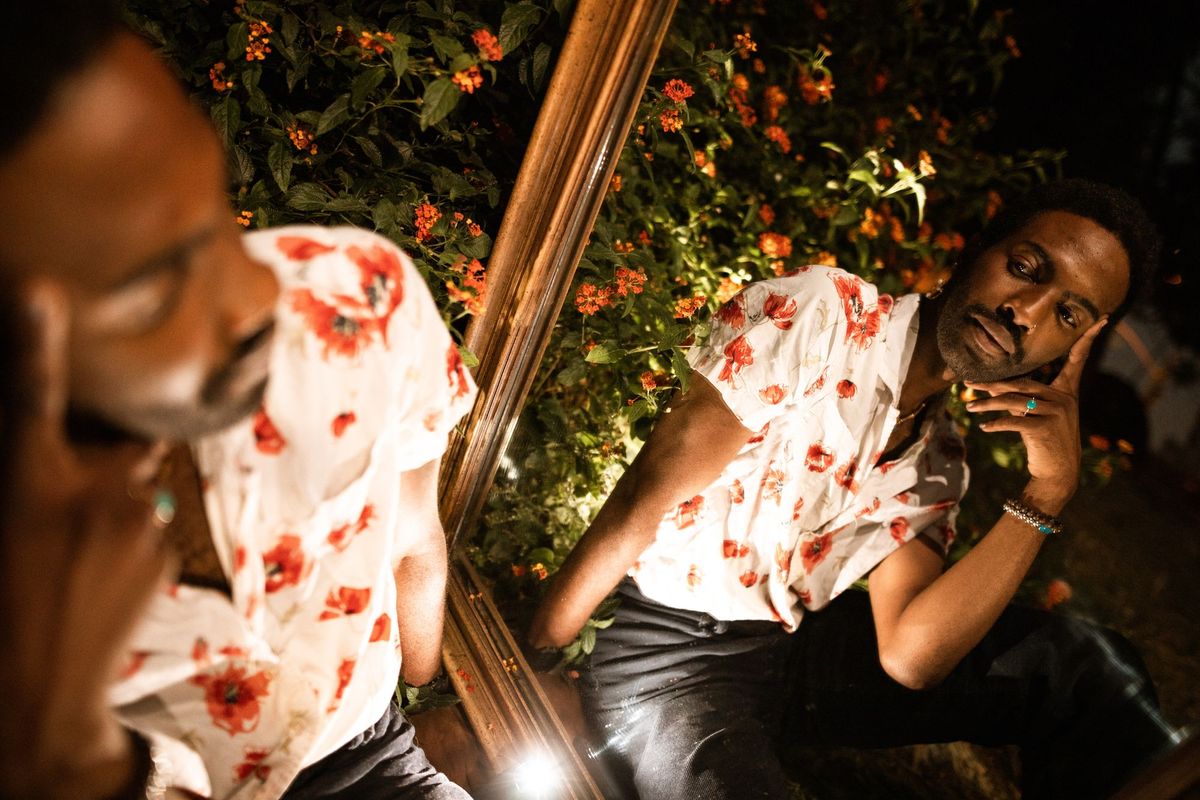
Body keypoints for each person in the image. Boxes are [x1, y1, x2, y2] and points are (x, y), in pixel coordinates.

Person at [528, 179, 1178, 798]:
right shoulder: (823, 315)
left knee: (1081, 668)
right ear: (977, 249)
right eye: (1027, 267)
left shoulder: (941, 458)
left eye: (1067, 313)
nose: (1024, 312)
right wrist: (536, 664)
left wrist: (1048, 493)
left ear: (1067, 350)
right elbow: (643, 498)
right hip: (669, 652)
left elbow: (911, 659)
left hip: (783, 649)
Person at [0, 4, 474, 798]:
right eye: (157, 288)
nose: (261, 295)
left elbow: (413, 536)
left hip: (370, 749)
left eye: (215, 207)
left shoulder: (354, 295)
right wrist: (56, 743)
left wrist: (423, 706)